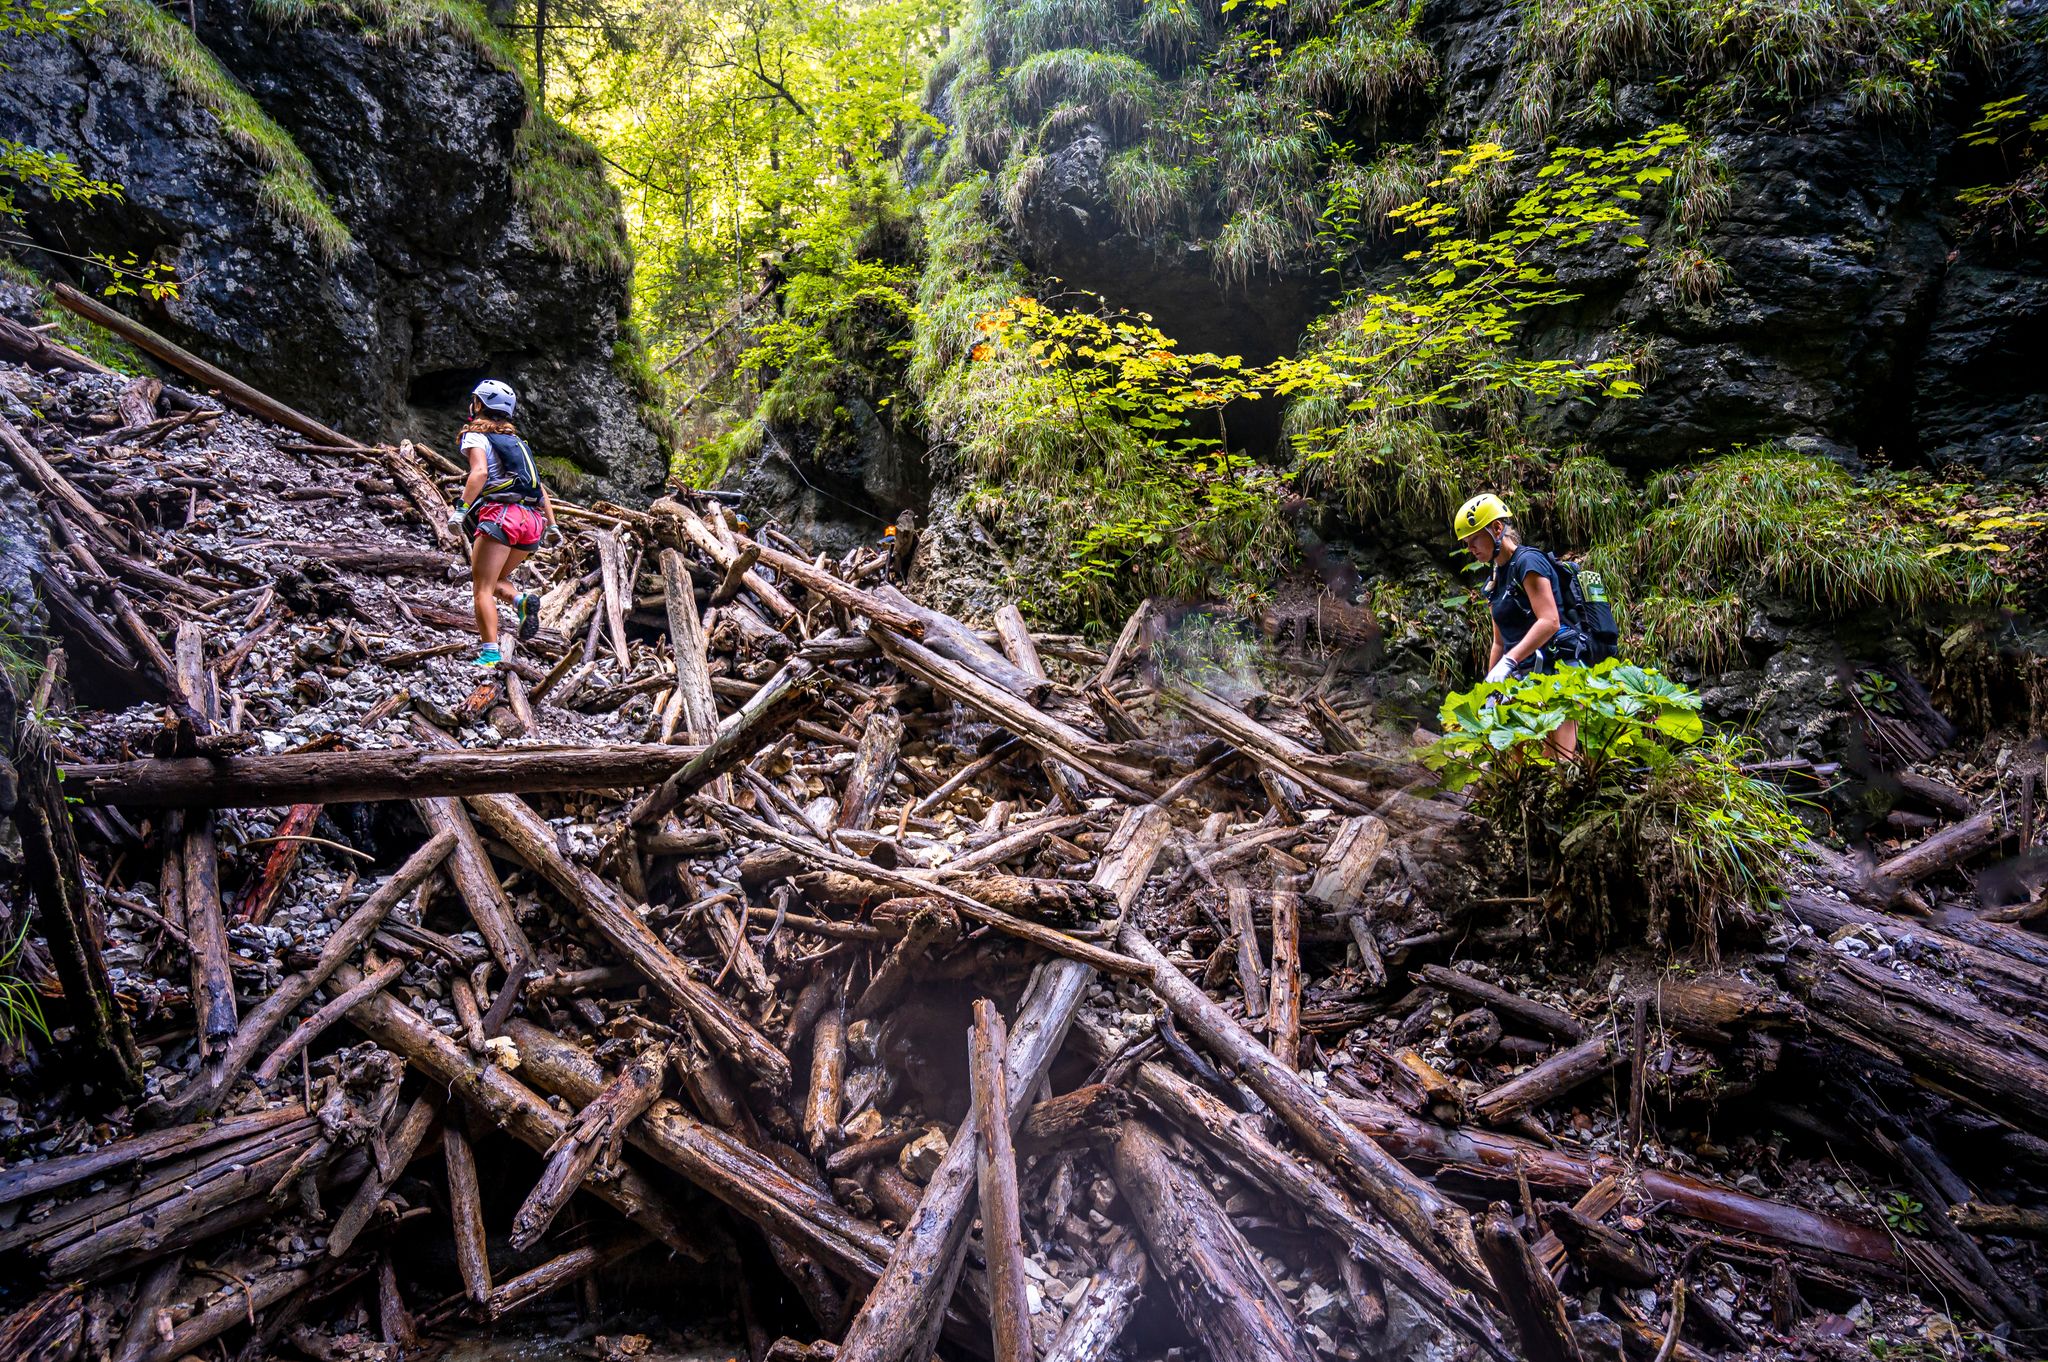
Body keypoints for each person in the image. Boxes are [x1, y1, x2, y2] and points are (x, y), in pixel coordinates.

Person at [1453, 492, 1589, 756]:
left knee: (1556, 763)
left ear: (1496, 528)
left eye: (1474, 540)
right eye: (1466, 543)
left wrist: (1509, 662)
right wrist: (1490, 688)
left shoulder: (1528, 562)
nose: (1470, 548)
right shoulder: (1493, 583)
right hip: (1521, 678)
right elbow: (1499, 641)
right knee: (1516, 762)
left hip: (1557, 670)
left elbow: (1549, 621)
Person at [451, 379, 557, 667]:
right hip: (532, 521)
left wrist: (460, 510)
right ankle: (521, 602)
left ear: (479, 405)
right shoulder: (518, 444)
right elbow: (539, 487)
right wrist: (553, 525)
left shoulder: (475, 436)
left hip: (502, 517)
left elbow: (480, 473)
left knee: (481, 587)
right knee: (495, 580)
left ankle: (489, 654)